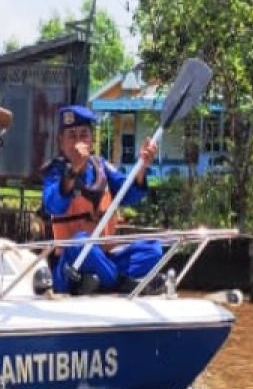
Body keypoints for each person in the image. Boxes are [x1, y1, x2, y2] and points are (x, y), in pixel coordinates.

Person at [41, 105, 163, 294]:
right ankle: (118, 283)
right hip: (71, 262)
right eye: (72, 136)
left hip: (104, 256)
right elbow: (53, 205)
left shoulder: (102, 168)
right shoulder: (55, 173)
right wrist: (73, 170)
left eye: (83, 135)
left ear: (91, 140)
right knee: (81, 242)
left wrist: (142, 167)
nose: (78, 142)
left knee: (153, 250)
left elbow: (129, 194)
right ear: (61, 142)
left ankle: (101, 281)